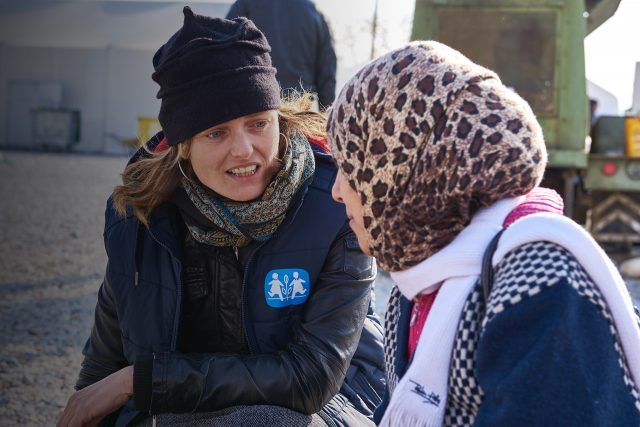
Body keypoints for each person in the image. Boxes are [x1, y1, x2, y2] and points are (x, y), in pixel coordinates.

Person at [57, 8, 384, 427]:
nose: (245, 149)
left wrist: (142, 381)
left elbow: (311, 377)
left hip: (328, 407)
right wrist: (119, 390)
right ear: (183, 145)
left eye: (258, 123)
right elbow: (101, 376)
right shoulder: (138, 217)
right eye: (216, 132)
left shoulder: (336, 205)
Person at [327, 41, 640, 426]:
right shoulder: (415, 291)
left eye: (351, 166)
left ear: (401, 171)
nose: (337, 190)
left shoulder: (541, 282)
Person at [226, 0, 337, 109]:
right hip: (298, 111)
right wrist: (325, 120)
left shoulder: (245, 5)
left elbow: (225, 52)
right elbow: (327, 75)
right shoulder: (314, 12)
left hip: (256, 110)